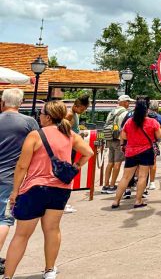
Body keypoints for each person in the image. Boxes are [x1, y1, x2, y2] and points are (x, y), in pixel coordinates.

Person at [3, 99, 93, 279]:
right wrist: (75, 167)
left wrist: (15, 191)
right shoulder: (69, 134)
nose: (39, 116)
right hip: (60, 188)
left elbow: (22, 166)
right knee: (52, 230)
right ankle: (50, 269)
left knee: (21, 235)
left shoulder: (35, 135)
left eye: (41, 113)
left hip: (35, 188)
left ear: (49, 117)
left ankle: (8, 276)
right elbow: (88, 153)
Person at [0, 89, 38, 275]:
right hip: (11, 177)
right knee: (3, 219)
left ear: (2, 102)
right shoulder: (29, 123)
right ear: (21, 103)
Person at [111, 98, 161, 209]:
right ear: (147, 110)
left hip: (131, 152)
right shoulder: (152, 122)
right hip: (146, 151)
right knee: (142, 176)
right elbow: (159, 136)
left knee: (125, 177)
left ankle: (116, 201)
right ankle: (138, 200)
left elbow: (123, 136)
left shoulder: (129, 122)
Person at [101, 95, 133, 194]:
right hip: (119, 140)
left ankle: (105, 185)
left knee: (110, 162)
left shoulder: (111, 112)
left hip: (109, 138)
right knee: (117, 163)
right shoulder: (125, 113)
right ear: (124, 102)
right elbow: (125, 129)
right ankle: (112, 186)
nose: (129, 103)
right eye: (128, 101)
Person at [63, 94, 89, 214]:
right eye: (82, 109)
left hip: (72, 145)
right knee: (67, 172)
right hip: (69, 146)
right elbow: (64, 130)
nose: (83, 112)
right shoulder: (69, 115)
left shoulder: (74, 114)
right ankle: (63, 203)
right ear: (77, 106)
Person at [147, 101, 161, 190]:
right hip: (154, 142)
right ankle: (152, 182)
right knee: (153, 162)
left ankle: (140, 180)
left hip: (142, 141)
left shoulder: (144, 116)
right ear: (157, 108)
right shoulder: (160, 117)